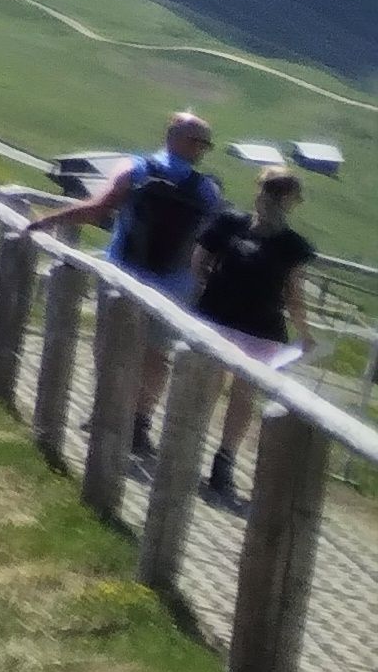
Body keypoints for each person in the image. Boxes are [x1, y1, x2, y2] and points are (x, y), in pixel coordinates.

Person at [29, 113, 224, 446]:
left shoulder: (134, 169)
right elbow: (210, 241)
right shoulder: (207, 189)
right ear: (190, 144)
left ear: (169, 136)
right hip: (175, 284)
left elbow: (98, 208)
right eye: (202, 143)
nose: (203, 150)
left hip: (123, 273)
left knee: (110, 345)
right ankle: (140, 422)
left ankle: (105, 408)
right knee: (157, 355)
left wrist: (49, 220)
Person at [194, 170, 317, 505]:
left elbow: (198, 263)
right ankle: (221, 462)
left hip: (226, 319)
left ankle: (204, 452)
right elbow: (295, 296)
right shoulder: (290, 245)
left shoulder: (233, 225)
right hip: (252, 325)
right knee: (239, 396)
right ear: (292, 200)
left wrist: (213, 290)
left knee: (220, 389)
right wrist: (305, 334)